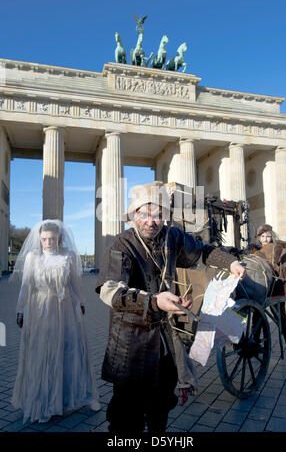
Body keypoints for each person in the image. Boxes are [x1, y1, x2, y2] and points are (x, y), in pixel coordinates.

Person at [95, 181, 245, 433]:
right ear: (133, 215)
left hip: (164, 341)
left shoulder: (172, 236)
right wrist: (154, 301)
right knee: (125, 417)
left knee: (160, 409)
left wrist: (229, 262)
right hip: (131, 343)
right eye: (144, 214)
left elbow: (202, 251)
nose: (150, 221)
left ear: (164, 216)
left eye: (157, 215)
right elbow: (110, 290)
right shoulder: (121, 245)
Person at [11, 220, 100, 424]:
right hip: (39, 310)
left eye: (52, 238)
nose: (48, 242)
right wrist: (20, 309)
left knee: (66, 351)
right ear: (39, 239)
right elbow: (26, 287)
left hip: (64, 311)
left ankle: (64, 398)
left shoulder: (68, 256)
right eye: (44, 239)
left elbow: (75, 284)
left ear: (59, 238)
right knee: (41, 353)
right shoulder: (33, 258)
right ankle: (42, 401)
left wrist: (81, 303)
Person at [255, 223, 286, 359]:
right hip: (261, 289)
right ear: (259, 238)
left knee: (282, 318)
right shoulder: (256, 253)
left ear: (271, 236)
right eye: (263, 237)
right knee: (256, 318)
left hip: (276, 289)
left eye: (268, 236)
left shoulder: (280, 250)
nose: (266, 239)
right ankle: (254, 345)